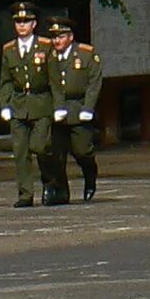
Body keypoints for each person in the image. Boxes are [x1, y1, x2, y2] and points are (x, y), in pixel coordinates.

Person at [0, 4, 55, 207]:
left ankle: (50, 182)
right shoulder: (9, 50)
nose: (22, 26)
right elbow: (6, 81)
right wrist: (5, 104)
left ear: (34, 24)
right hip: (19, 104)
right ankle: (25, 194)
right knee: (20, 151)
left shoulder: (46, 46)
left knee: (39, 146)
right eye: (18, 22)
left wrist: (58, 106)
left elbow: (54, 79)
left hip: (41, 104)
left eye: (26, 22)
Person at [45, 17, 102, 203]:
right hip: (58, 109)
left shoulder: (86, 54)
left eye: (60, 36)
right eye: (54, 37)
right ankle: (61, 191)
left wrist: (88, 107)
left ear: (70, 37)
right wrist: (57, 106)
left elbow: (94, 82)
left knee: (82, 151)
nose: (56, 41)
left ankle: (90, 176)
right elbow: (51, 84)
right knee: (57, 154)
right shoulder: (49, 56)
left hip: (79, 108)